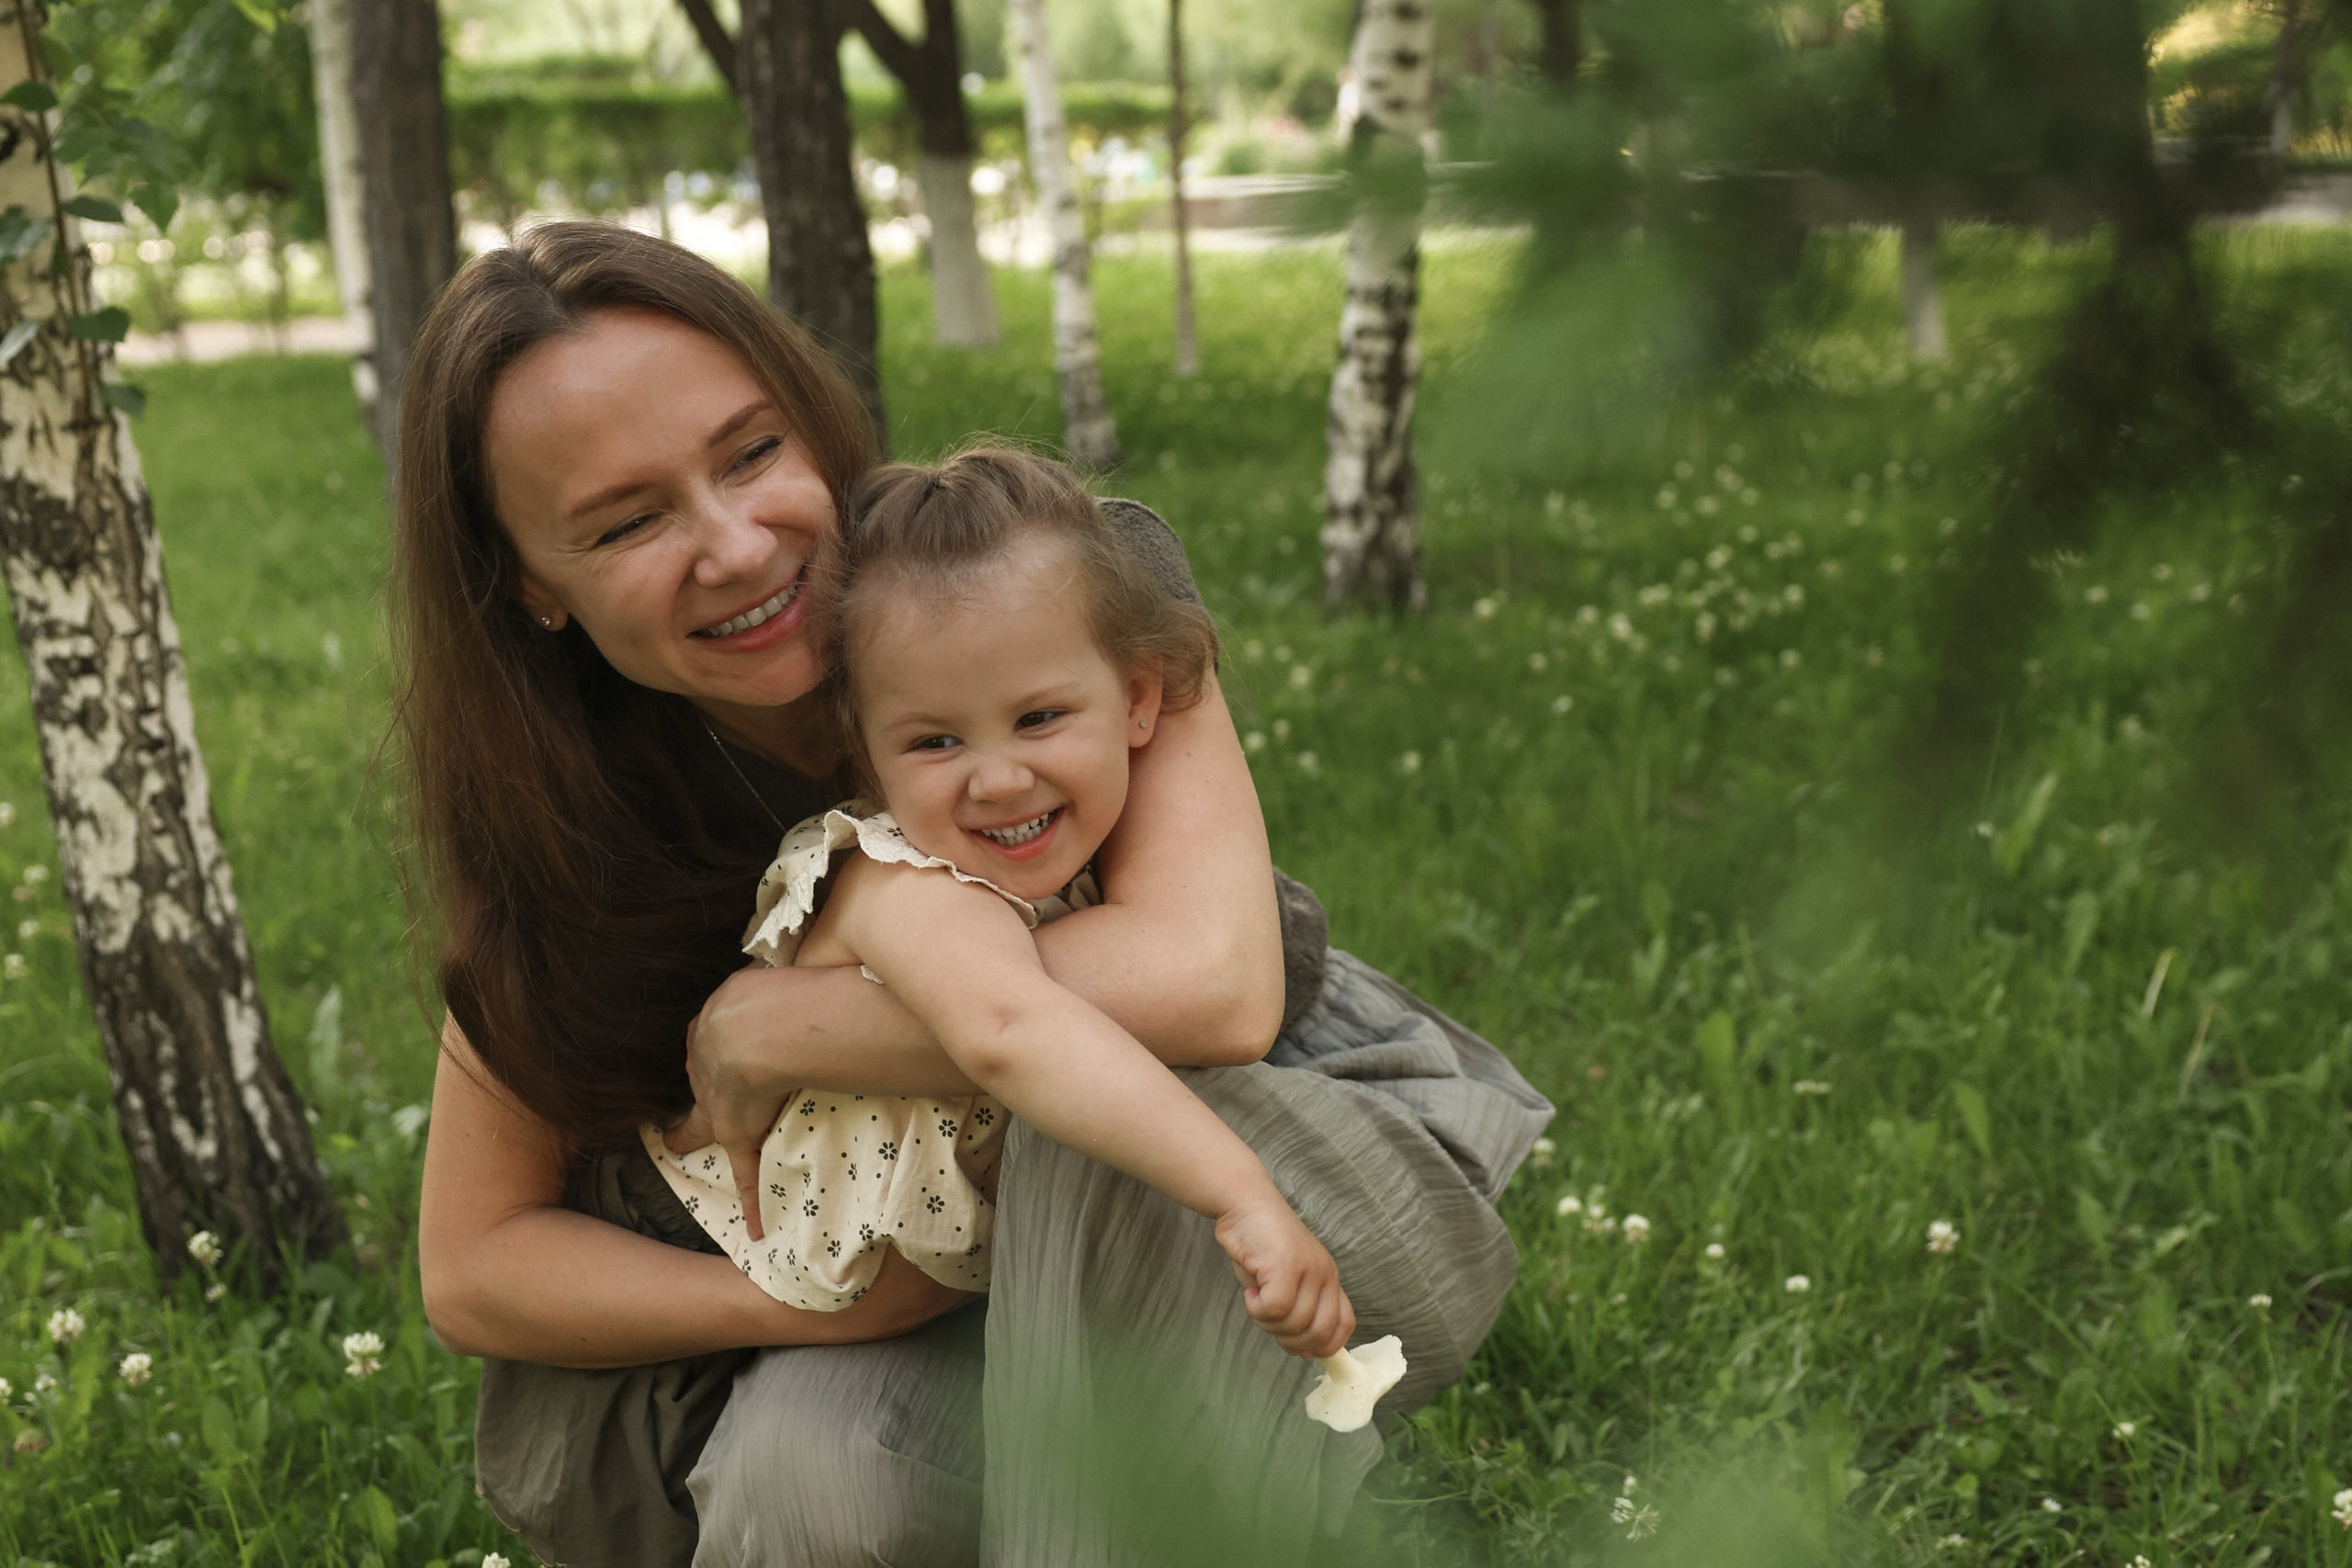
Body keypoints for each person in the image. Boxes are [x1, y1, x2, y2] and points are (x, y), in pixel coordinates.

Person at [401, 220, 1553, 1568]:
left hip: (1268, 1168)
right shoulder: (569, 816)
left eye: (753, 451)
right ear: (532, 585)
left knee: (1078, 1119)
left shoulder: (1042, 574)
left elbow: (1214, 985)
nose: (736, 543)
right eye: (629, 519)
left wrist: (793, 1027)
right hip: (928, 1270)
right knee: (805, 1469)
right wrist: (821, 1308)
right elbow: (473, 1263)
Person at [649, 447, 1353, 1365]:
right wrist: (1239, 1193)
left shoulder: (1067, 855)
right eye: (936, 740)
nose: (999, 778)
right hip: (724, 1247)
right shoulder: (895, 879)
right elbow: (1014, 1033)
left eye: (1039, 719)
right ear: (866, 758)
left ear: (1139, 702)